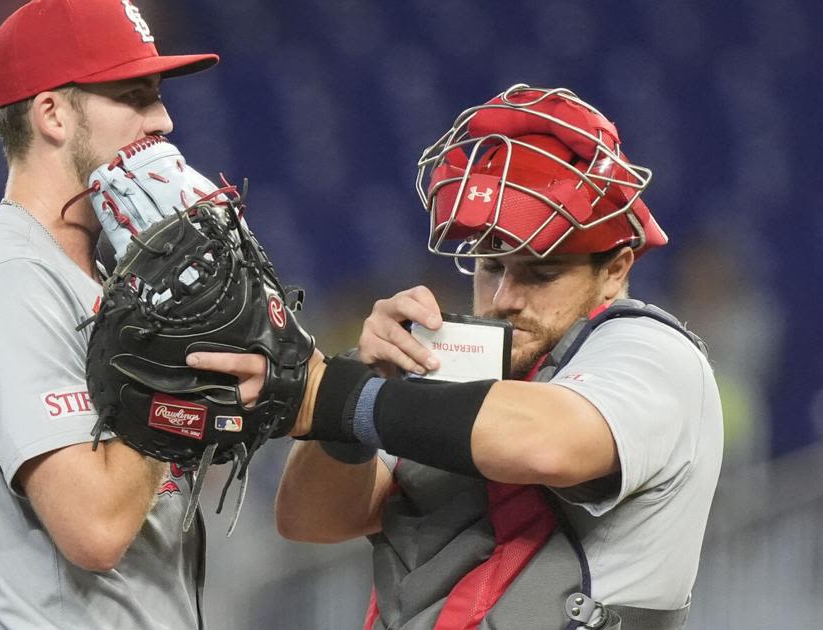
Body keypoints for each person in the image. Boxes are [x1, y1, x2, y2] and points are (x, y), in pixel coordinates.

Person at [189, 85, 724, 628]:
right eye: (491, 266)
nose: (504, 298)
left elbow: (549, 446)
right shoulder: (454, 362)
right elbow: (313, 518)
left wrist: (333, 396)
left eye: (541, 273)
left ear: (614, 269)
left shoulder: (651, 349)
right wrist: (359, 376)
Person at [0, 1, 219, 628]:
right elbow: (95, 528)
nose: (162, 120)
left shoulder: (117, 266)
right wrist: (171, 355)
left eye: (158, 95)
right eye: (134, 95)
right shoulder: (7, 278)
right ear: (53, 113)